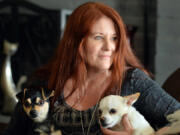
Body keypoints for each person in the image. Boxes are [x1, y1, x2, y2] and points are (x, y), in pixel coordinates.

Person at [3, 2, 180, 135]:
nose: (109, 47)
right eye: (98, 37)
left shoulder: (132, 81)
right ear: (76, 43)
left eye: (114, 38)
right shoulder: (43, 85)